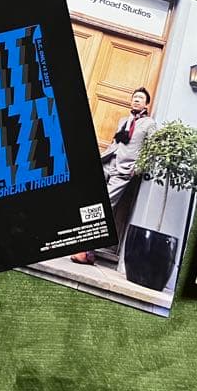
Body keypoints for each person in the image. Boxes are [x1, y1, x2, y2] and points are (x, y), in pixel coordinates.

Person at [71, 86, 157, 265]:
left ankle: (85, 250)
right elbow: (116, 142)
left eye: (140, 98)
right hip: (108, 163)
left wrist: (138, 168)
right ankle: (86, 249)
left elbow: (153, 148)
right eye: (134, 97)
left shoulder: (149, 124)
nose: (136, 100)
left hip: (124, 170)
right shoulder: (123, 120)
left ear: (146, 104)